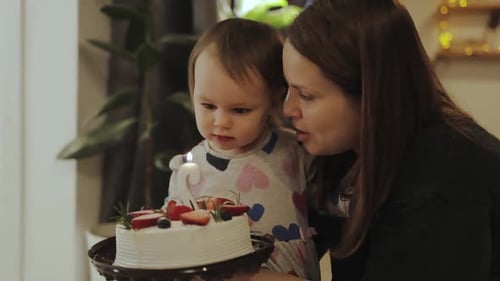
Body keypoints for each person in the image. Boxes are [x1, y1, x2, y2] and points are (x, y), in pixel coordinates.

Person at [245, 0, 500, 280]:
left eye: (306, 95)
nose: (288, 109)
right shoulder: (346, 151)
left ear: (371, 95)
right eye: (288, 89)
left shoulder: (442, 184)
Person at [166, 18, 320, 280]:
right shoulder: (186, 170)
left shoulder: (296, 151)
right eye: (208, 106)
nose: (221, 122)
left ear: (274, 101)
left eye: (240, 110)